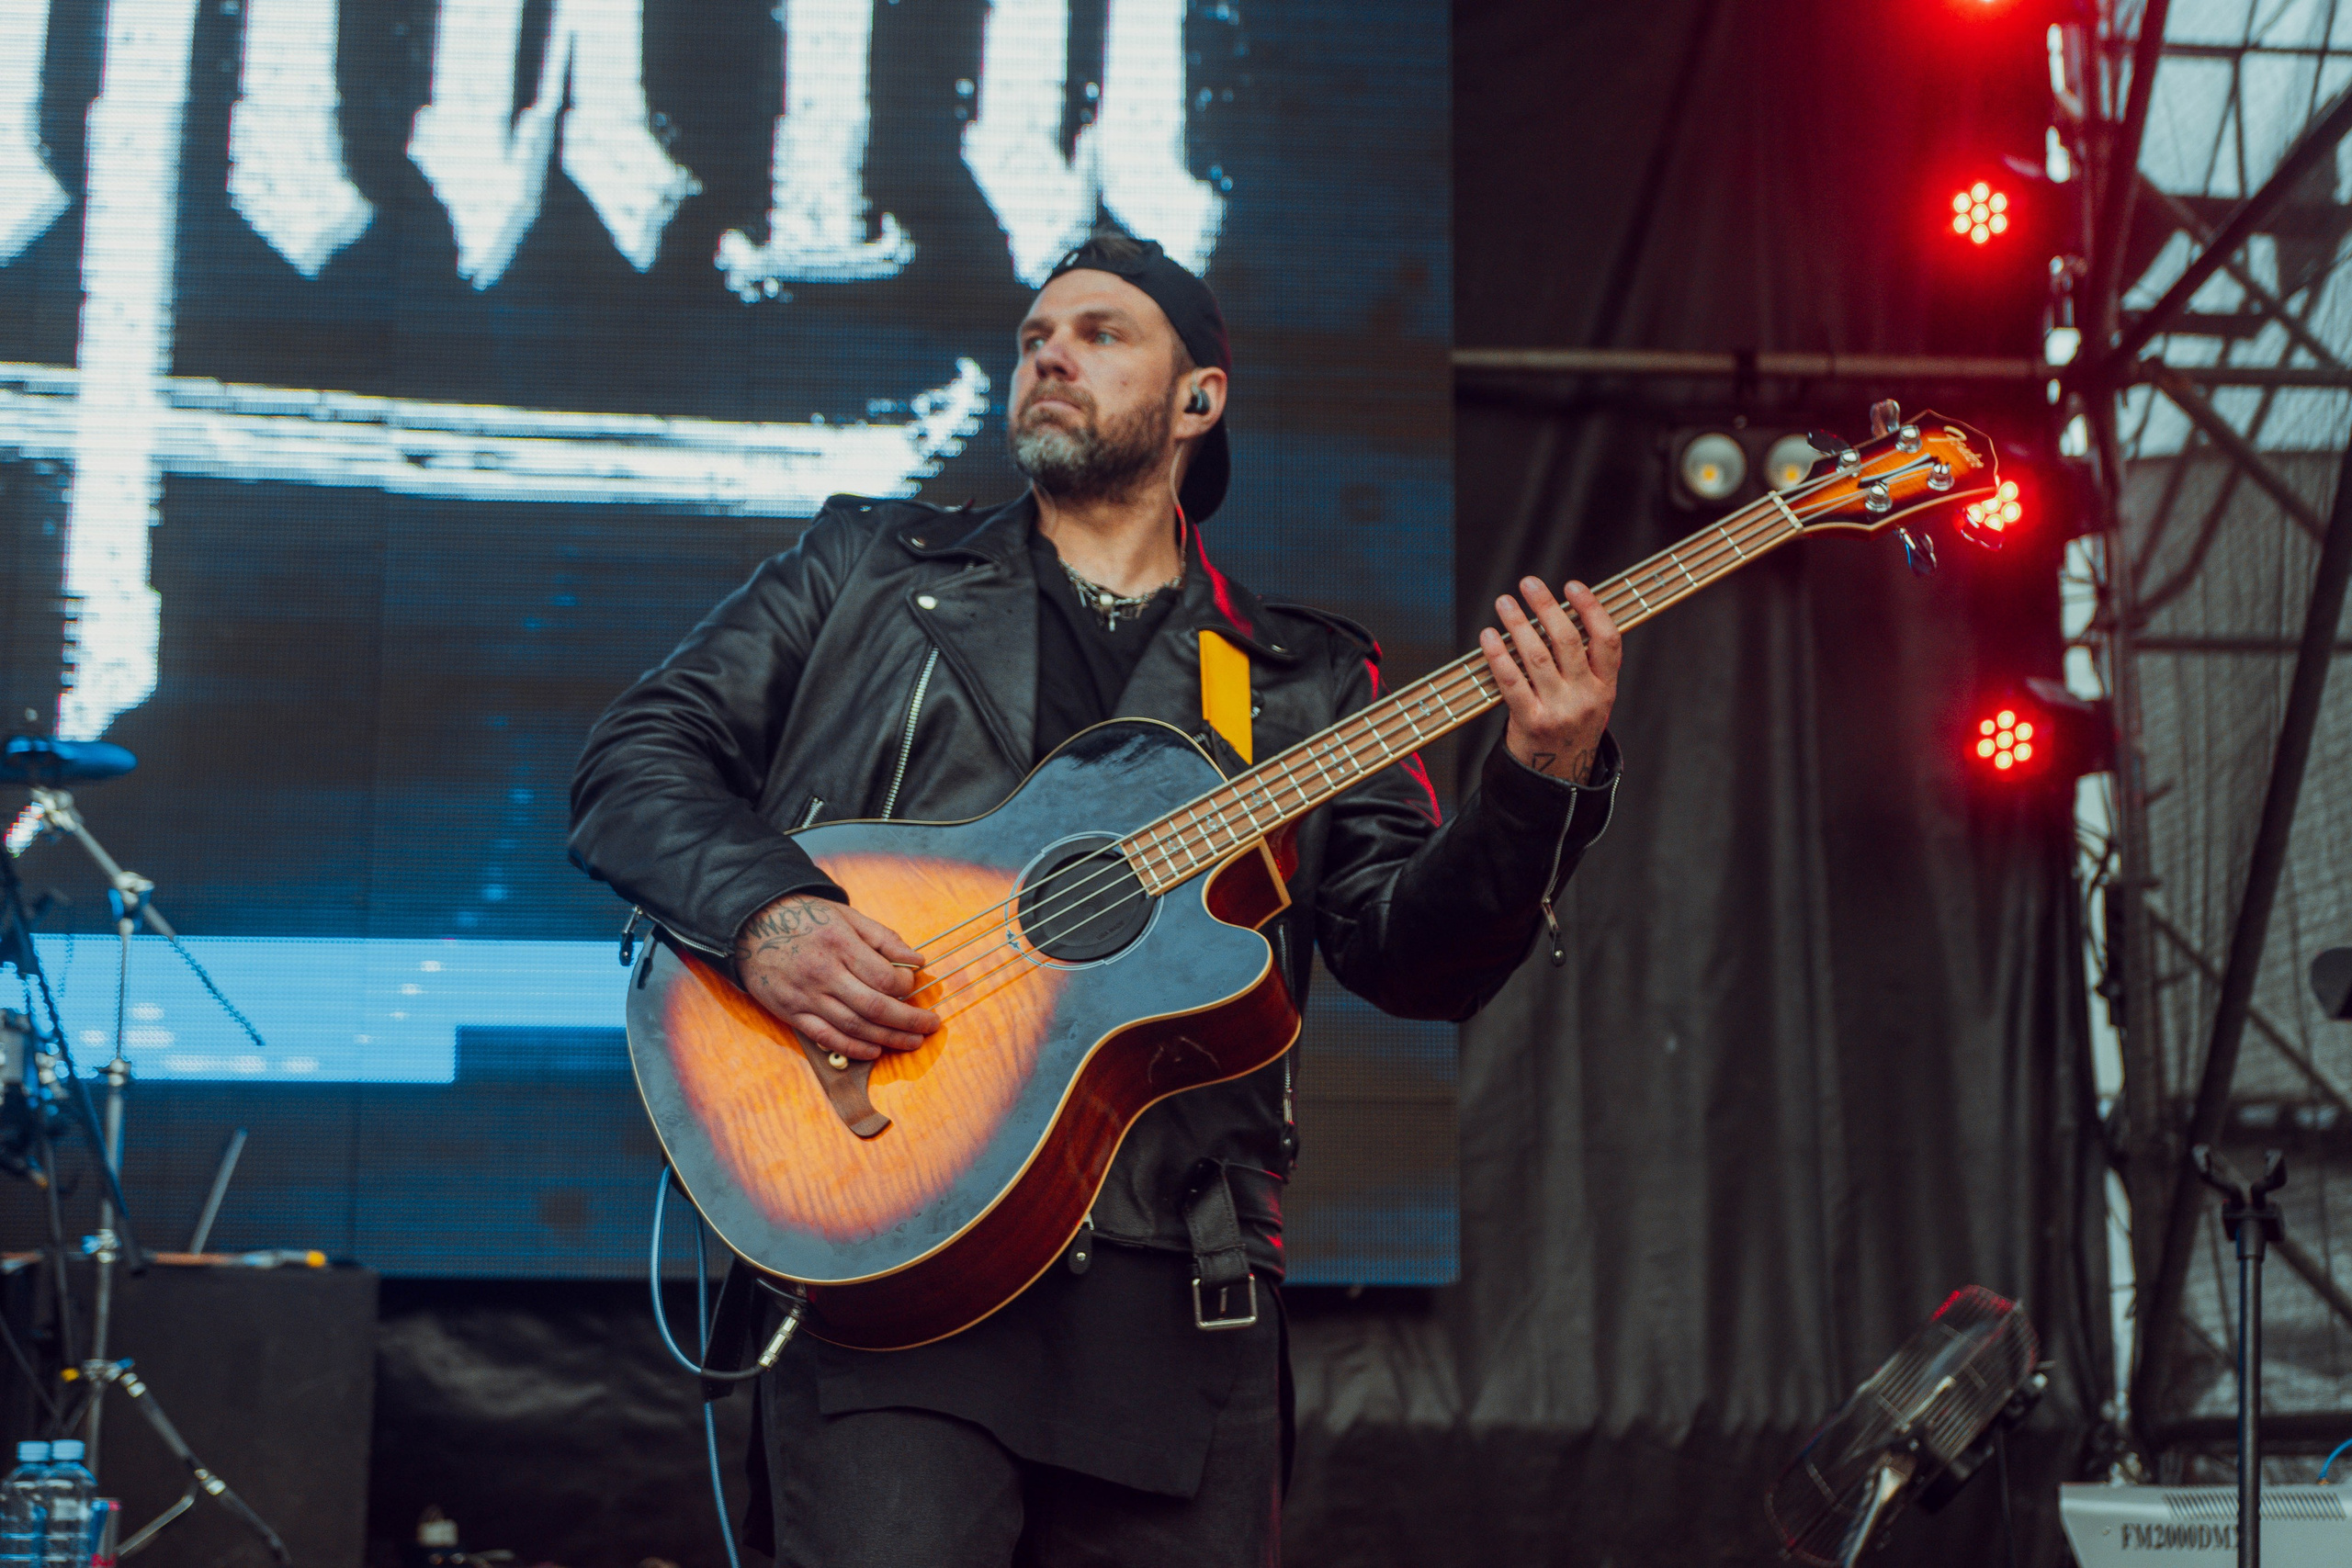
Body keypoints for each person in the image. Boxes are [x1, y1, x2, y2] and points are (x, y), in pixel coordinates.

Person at [568, 231, 1623, 1567]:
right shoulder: (867, 572)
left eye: (1101, 332)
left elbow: (1415, 959)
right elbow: (632, 764)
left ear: (1201, 400)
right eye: (1033, 336)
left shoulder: (1299, 680)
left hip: (1178, 1292)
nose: (1049, 353)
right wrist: (773, 917)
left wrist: (1540, 778)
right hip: (894, 1248)